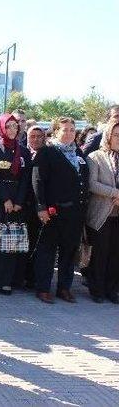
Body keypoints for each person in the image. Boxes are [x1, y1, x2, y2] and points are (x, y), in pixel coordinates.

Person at [32, 117, 89, 304]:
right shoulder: (47, 152)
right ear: (55, 131)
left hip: (75, 214)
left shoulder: (78, 153)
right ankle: (43, 288)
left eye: (72, 129)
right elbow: (38, 181)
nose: (69, 133)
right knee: (48, 251)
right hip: (53, 211)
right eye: (65, 129)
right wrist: (41, 207)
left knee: (69, 251)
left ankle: (64, 288)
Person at [0, 114, 32, 295]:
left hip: (17, 202)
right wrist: (5, 199)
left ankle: (7, 279)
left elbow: (26, 178)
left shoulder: (24, 152)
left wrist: (18, 201)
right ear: (2, 128)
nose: (12, 130)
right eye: (9, 126)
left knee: (12, 242)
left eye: (15, 126)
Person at [85, 120, 119, 304]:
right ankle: (97, 289)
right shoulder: (95, 156)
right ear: (108, 136)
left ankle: (112, 290)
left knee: (116, 254)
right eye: (116, 135)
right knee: (101, 253)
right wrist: (115, 193)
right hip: (101, 214)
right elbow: (92, 184)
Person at [15, 125, 46, 289]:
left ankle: (32, 278)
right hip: (23, 205)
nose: (35, 139)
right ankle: (20, 276)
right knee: (21, 243)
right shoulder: (22, 154)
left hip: (40, 208)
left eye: (39, 136)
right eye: (32, 136)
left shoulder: (48, 154)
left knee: (36, 244)